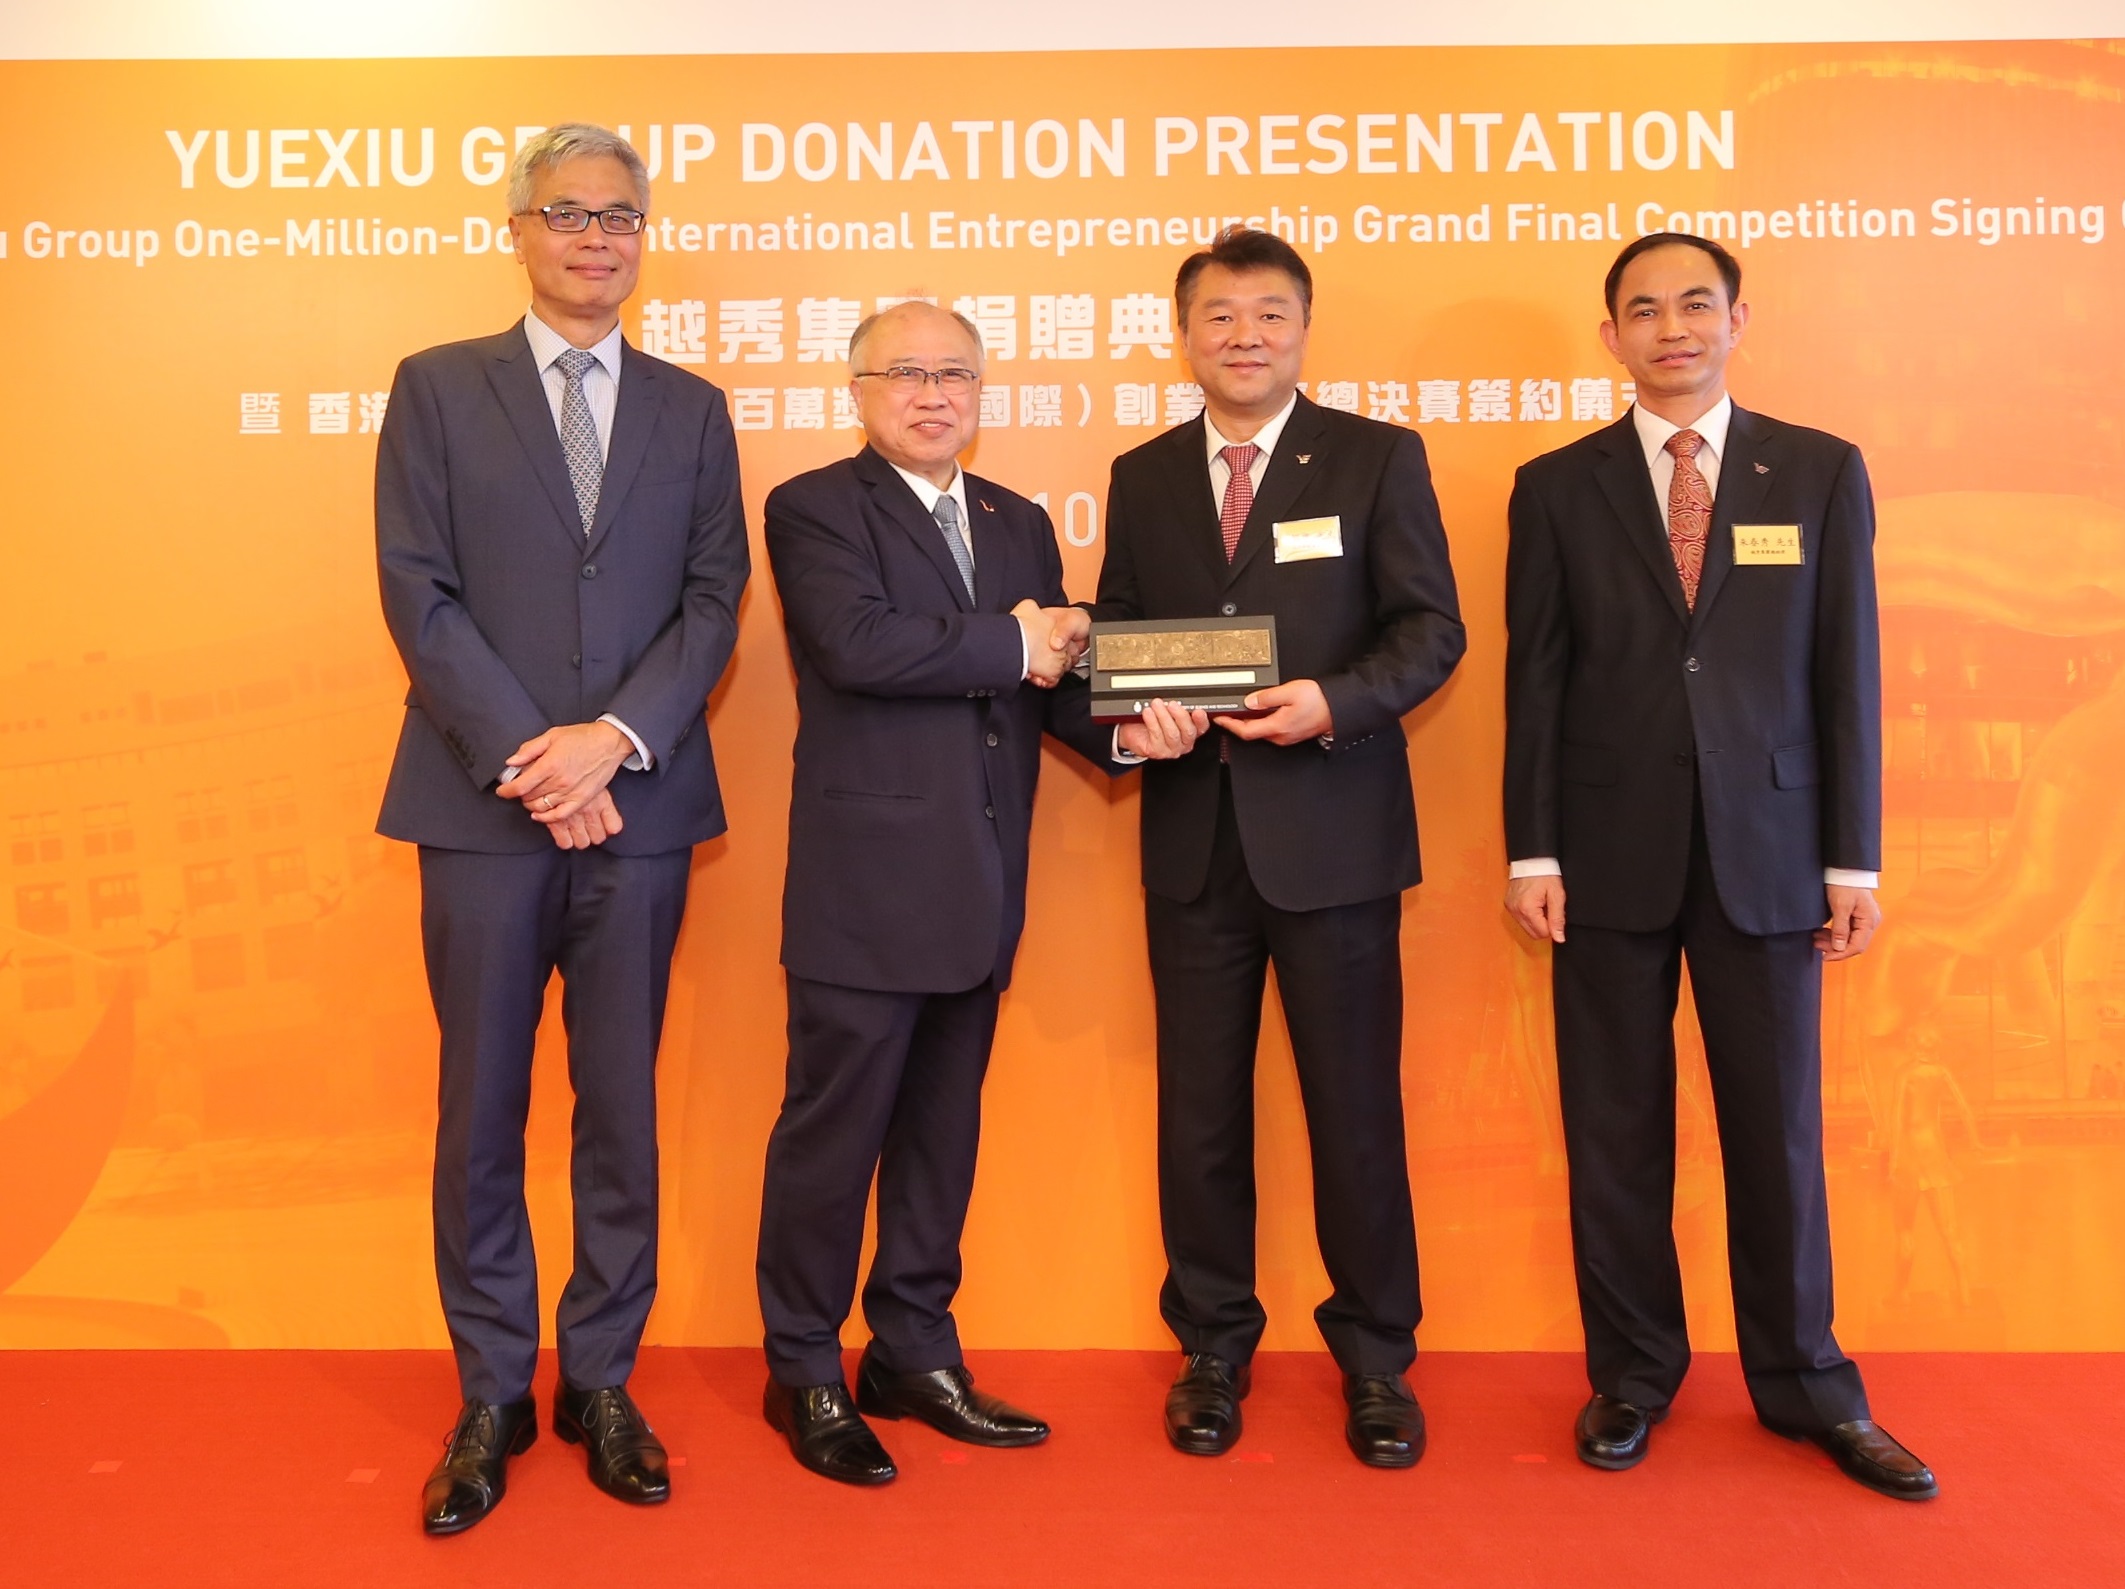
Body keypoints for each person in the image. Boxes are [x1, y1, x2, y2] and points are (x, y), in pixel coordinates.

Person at [1502, 232, 1935, 1499]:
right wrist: (1532, 845)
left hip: (1771, 850)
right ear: (1611, 338)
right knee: (1614, 1130)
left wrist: (1850, 860)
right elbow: (1538, 679)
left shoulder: (1816, 467)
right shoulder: (1555, 485)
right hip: (1600, 855)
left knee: (1777, 1134)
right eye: (1642, 310)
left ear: (1738, 319)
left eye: (1695, 303)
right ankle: (1632, 1373)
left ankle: (1806, 1381)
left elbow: (1843, 670)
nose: (1670, 327)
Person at [374, 123, 748, 1533]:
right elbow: (417, 590)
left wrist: (616, 743)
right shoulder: (437, 388)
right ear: (516, 230)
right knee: (477, 1109)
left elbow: (714, 595)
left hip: (641, 806)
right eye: (569, 212)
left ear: (644, 236)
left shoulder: (690, 407)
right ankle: (489, 1391)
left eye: (622, 216)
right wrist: (538, 759)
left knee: (620, 1107)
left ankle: (600, 1379)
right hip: (480, 811)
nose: (598, 237)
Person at [1055, 227, 1465, 1468]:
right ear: (1183, 335)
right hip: (1194, 842)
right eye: (1220, 316)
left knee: (1353, 1112)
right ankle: (1213, 1347)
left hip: (1332, 836)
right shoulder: (1144, 472)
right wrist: (1135, 718)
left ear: (1302, 328)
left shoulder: (1377, 456)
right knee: (1201, 1115)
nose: (1245, 335)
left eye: (1269, 314)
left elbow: (1429, 629)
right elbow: (1118, 633)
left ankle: (1377, 1360)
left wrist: (1333, 702)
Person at [752, 300, 1089, 1485]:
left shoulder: (1016, 521)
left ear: (983, 390)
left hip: (984, 884)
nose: (932, 392)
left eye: (955, 372)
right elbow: (857, 643)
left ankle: (912, 1350)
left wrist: (1144, 728)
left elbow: (1050, 688)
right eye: (905, 372)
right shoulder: (811, 507)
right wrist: (1017, 643)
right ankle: (802, 1362)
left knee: (943, 1134)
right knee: (831, 1138)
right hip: (864, 888)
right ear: (856, 390)